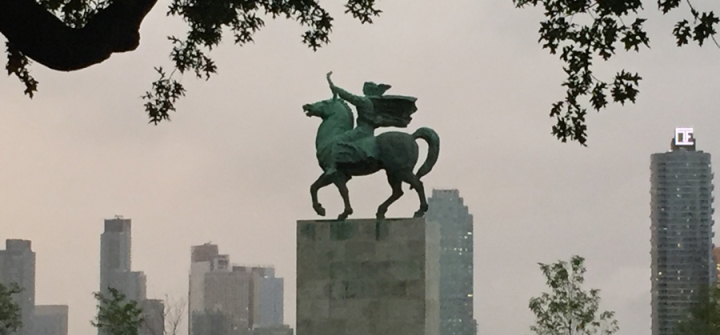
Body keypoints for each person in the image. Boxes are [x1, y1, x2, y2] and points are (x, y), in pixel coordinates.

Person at [324, 72, 392, 178]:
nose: (363, 90)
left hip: (362, 130)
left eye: (365, 89)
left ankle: (333, 166)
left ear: (367, 91)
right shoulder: (375, 104)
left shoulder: (364, 101)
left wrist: (335, 87)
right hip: (370, 131)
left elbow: (350, 97)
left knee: (337, 141)